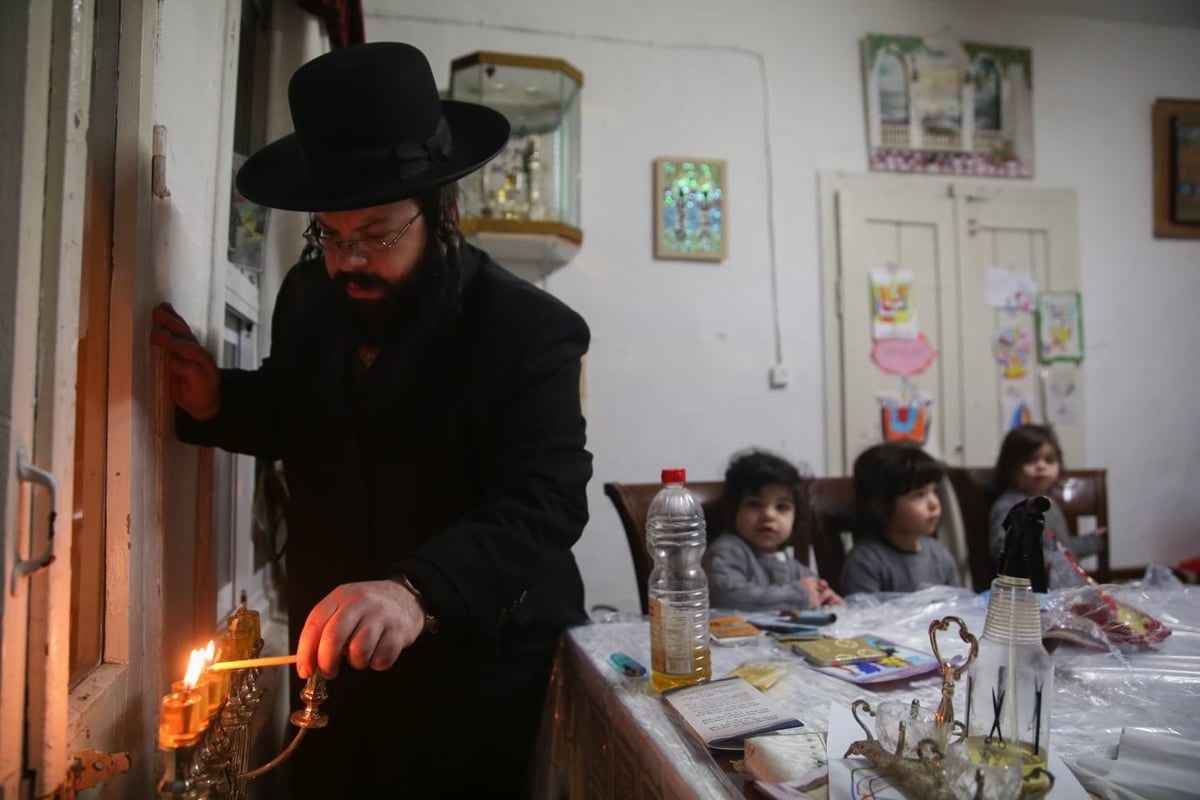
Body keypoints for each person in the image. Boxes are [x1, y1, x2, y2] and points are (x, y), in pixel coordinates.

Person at [151, 42, 591, 798]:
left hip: (477, 664)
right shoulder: (309, 298)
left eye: (379, 235)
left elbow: (544, 503)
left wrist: (413, 591)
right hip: (331, 656)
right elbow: (312, 419)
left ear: (444, 212)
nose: (351, 260)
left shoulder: (530, 331)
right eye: (332, 236)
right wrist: (218, 402)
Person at [704, 450, 843, 611]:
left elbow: (812, 592)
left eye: (782, 507)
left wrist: (826, 599)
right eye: (754, 504)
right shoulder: (727, 551)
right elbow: (726, 597)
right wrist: (800, 596)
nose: (769, 515)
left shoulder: (793, 566)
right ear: (733, 510)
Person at [988, 424, 1105, 588]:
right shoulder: (1010, 506)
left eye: (1049, 460)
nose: (1041, 466)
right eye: (1030, 460)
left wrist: (1093, 540)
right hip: (1033, 594)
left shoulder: (1049, 504)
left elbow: (1064, 548)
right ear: (1010, 467)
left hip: (1068, 590)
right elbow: (1003, 547)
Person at [838, 443, 960, 595]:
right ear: (880, 505)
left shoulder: (939, 554)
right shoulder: (865, 563)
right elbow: (864, 615)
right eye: (919, 495)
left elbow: (957, 606)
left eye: (934, 491)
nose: (934, 503)